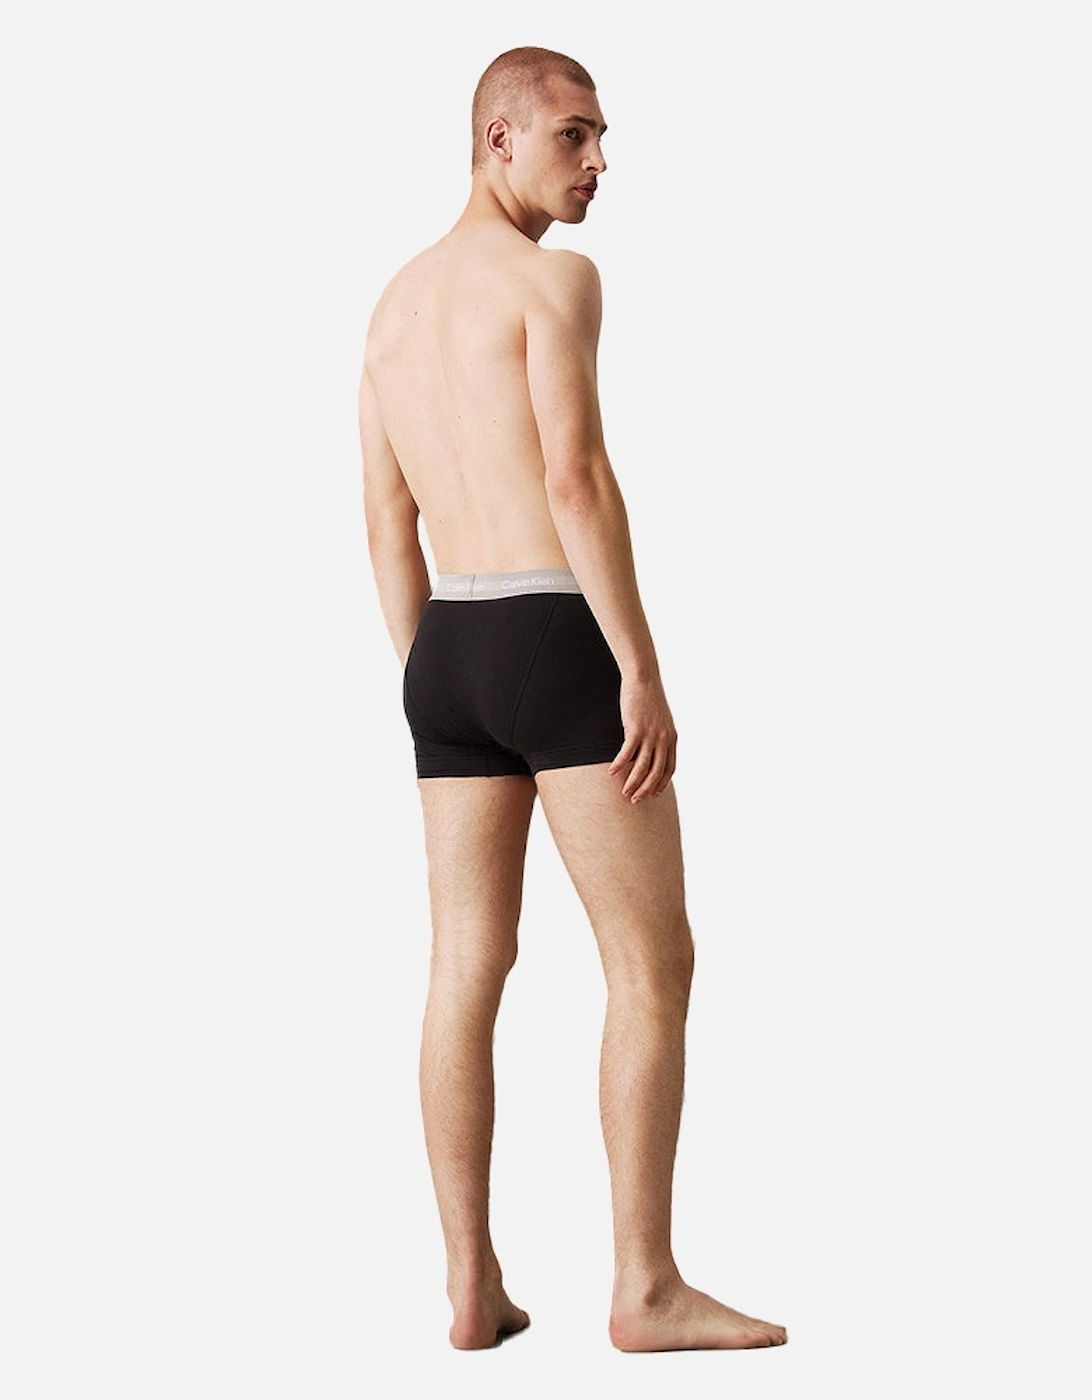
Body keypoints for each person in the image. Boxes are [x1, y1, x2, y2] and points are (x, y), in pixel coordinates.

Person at [358, 45, 787, 1353]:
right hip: (556, 629)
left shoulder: (392, 308)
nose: (600, 163)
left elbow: (385, 518)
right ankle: (645, 1289)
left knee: (463, 965)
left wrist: (435, 677)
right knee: (652, 963)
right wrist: (638, 667)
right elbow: (576, 477)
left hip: (447, 651)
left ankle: (470, 1287)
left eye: (603, 139)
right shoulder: (555, 281)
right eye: (574, 136)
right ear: (499, 138)